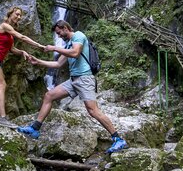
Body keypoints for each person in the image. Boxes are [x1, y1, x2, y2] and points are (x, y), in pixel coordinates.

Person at [17, 20, 129, 154]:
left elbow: (76, 53)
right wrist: (38, 62)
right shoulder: (68, 44)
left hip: (85, 79)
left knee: (93, 110)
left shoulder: (79, 36)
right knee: (49, 95)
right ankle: (35, 129)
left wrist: (54, 48)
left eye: (59, 33)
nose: (59, 36)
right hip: (73, 80)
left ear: (65, 28)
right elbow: (58, 64)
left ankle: (118, 139)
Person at [0, 7, 46, 128]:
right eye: (17, 14)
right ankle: (2, 119)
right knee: (2, 85)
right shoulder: (5, 26)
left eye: (20, 15)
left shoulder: (9, 34)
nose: (19, 17)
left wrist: (22, 51)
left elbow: (11, 49)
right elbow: (22, 37)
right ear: (10, 14)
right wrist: (39, 46)